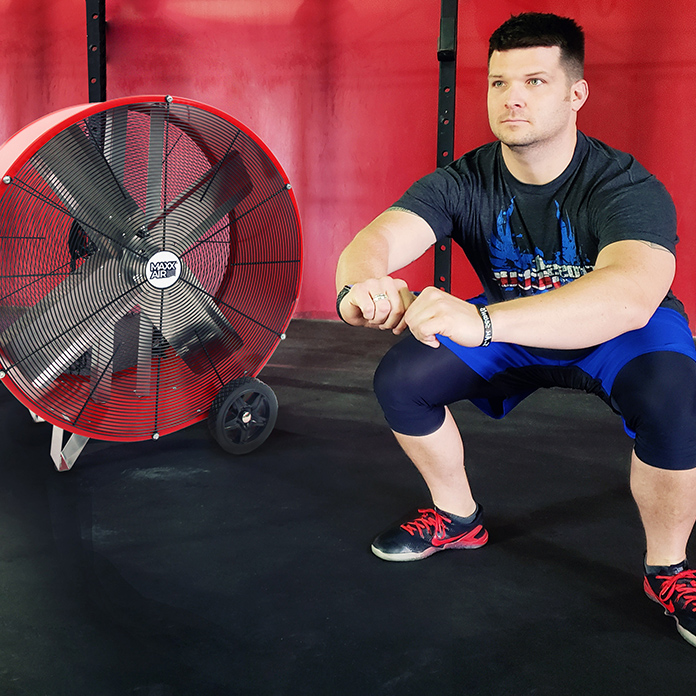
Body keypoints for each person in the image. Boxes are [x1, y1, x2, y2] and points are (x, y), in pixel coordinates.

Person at [334, 12, 696, 647]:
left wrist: (479, 319)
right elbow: (382, 236)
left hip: (615, 331)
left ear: (576, 93)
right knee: (402, 379)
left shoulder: (625, 185)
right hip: (510, 327)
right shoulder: (465, 180)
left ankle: (670, 568)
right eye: (499, 83)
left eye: (534, 80)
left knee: (677, 400)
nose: (513, 98)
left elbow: (631, 296)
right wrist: (360, 285)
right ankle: (457, 517)